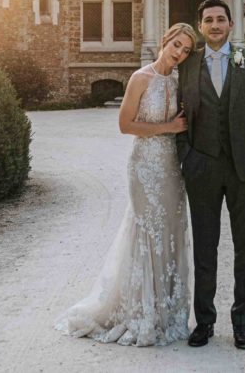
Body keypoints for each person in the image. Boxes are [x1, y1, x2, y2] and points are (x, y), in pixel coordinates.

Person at [54, 23, 198, 346]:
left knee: (171, 231)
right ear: (165, 41)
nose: (179, 53)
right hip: (145, 166)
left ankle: (168, 312)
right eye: (176, 45)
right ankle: (142, 310)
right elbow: (125, 125)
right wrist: (168, 127)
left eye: (186, 50)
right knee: (146, 230)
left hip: (172, 169)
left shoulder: (179, 82)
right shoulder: (140, 78)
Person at [175, 0, 245, 350]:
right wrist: (186, 157)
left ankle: (242, 323)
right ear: (200, 27)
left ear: (231, 25)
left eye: (221, 19)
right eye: (208, 20)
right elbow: (178, 115)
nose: (215, 25)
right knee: (205, 248)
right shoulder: (187, 64)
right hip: (201, 167)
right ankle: (204, 321)